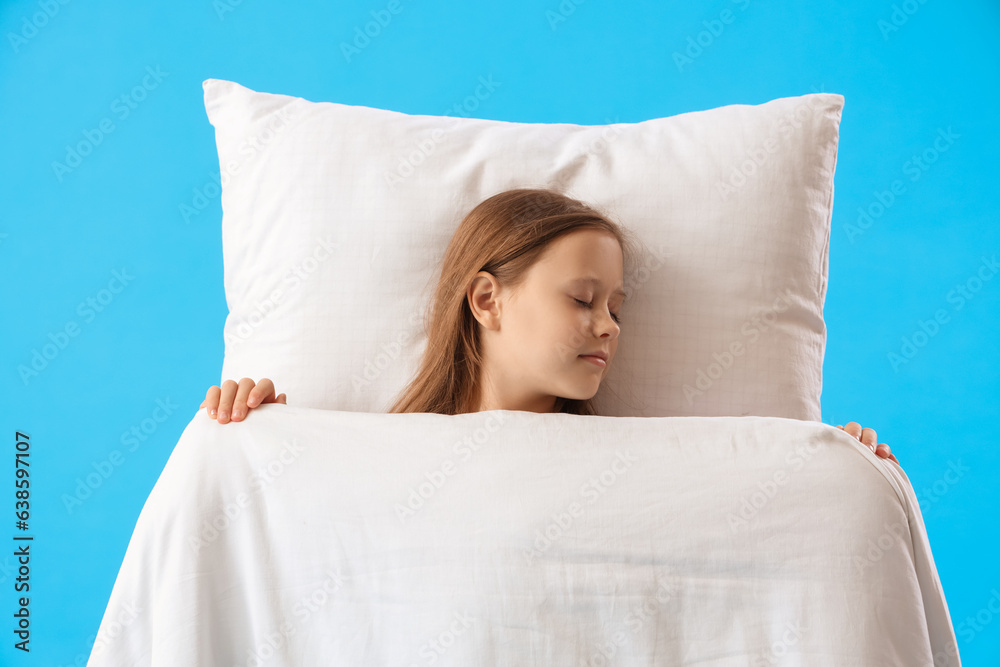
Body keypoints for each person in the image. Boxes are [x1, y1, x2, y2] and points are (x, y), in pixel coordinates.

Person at [199, 188, 899, 464]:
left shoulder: (629, 460)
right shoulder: (379, 451)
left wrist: (830, 470)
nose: (608, 327)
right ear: (486, 299)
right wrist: (256, 432)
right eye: (583, 299)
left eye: (617, 309)